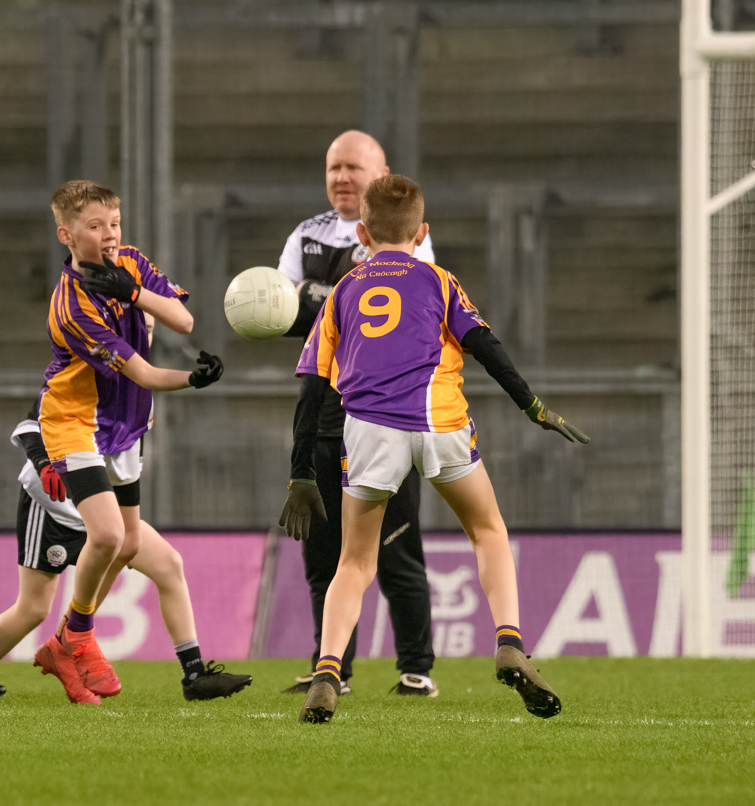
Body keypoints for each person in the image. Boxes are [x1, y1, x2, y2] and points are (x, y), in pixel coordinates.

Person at [288, 175, 588, 725]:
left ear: (362, 233)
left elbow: (311, 386)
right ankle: (509, 643)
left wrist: (301, 471)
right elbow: (485, 345)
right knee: (488, 530)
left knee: (354, 562)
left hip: (370, 430)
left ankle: (329, 672)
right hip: (439, 423)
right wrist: (533, 406)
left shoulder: (343, 293)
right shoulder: (439, 281)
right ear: (421, 231)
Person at [30, 179, 224, 703]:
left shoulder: (132, 262)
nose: (110, 235)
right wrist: (192, 381)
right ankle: (76, 636)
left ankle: (70, 638)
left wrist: (133, 292)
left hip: (126, 427)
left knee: (133, 543)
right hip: (75, 423)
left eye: (114, 223)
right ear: (66, 235)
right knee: (111, 536)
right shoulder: (71, 306)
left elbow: (183, 319)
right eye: (95, 226)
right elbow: (141, 372)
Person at [0, 397, 253, 703]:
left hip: (101, 511)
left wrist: (191, 380)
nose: (143, 347)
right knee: (33, 608)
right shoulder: (84, 364)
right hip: (54, 505)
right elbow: (29, 427)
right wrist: (44, 464)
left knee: (167, 564)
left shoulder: (139, 393)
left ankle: (194, 675)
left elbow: (127, 469)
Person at [277, 129, 437, 697]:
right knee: (323, 552)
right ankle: (333, 669)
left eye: (353, 167)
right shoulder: (306, 234)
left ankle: (416, 669)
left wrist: (317, 300)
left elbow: (414, 314)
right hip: (322, 409)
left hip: (387, 412)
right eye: (333, 167)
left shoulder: (410, 236)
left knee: (395, 550)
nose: (341, 177)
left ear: (382, 173)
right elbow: (282, 313)